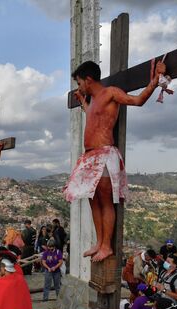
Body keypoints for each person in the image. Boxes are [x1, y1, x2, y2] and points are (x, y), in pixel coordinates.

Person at [63, 59, 166, 261]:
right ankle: (99, 242)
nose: (79, 87)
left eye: (79, 83)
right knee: (92, 199)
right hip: (90, 156)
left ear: (88, 79)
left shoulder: (110, 92)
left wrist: (155, 81)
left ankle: (106, 246)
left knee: (105, 199)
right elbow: (94, 116)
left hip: (104, 153)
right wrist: (83, 102)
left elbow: (137, 101)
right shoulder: (92, 101)